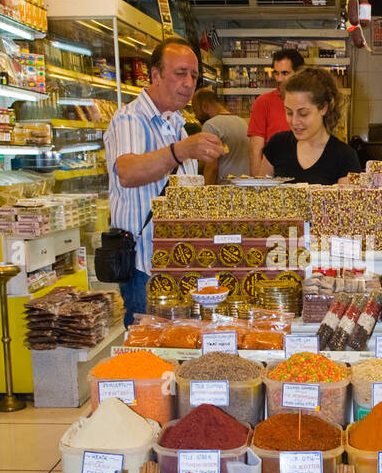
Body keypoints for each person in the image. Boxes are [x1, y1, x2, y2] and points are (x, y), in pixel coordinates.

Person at [104, 38, 225, 325]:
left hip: (177, 263)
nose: (189, 83)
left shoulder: (179, 126)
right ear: (155, 75)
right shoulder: (131, 119)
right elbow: (128, 172)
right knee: (147, 354)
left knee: (172, 347)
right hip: (144, 266)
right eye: (180, 73)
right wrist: (181, 151)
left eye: (194, 76)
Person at [260, 66, 362, 185]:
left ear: (324, 108)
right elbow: (261, 195)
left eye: (303, 113)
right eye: (289, 112)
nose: (294, 121)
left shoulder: (345, 156)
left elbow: (348, 202)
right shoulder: (277, 145)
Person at [247, 48, 305, 176]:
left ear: (299, 73)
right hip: (274, 176)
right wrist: (257, 187)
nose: (279, 79)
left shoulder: (310, 101)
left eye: (285, 73)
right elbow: (255, 150)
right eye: (276, 73)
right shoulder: (263, 102)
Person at [191, 88, 251, 183]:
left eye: (195, 110)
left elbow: (212, 166)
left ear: (205, 106)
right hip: (245, 187)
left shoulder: (211, 125)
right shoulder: (242, 122)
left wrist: (206, 193)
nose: (195, 116)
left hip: (224, 189)